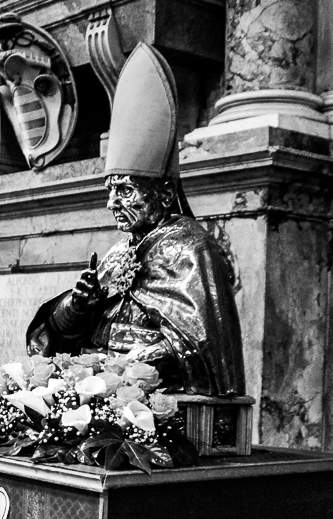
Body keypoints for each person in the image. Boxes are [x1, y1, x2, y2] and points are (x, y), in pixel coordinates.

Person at [26, 44, 245, 397]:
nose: (112, 202)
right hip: (102, 398)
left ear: (165, 194)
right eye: (110, 190)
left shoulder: (192, 251)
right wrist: (78, 307)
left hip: (159, 409)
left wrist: (138, 363)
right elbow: (58, 336)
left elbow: (202, 348)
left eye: (125, 191)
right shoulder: (119, 253)